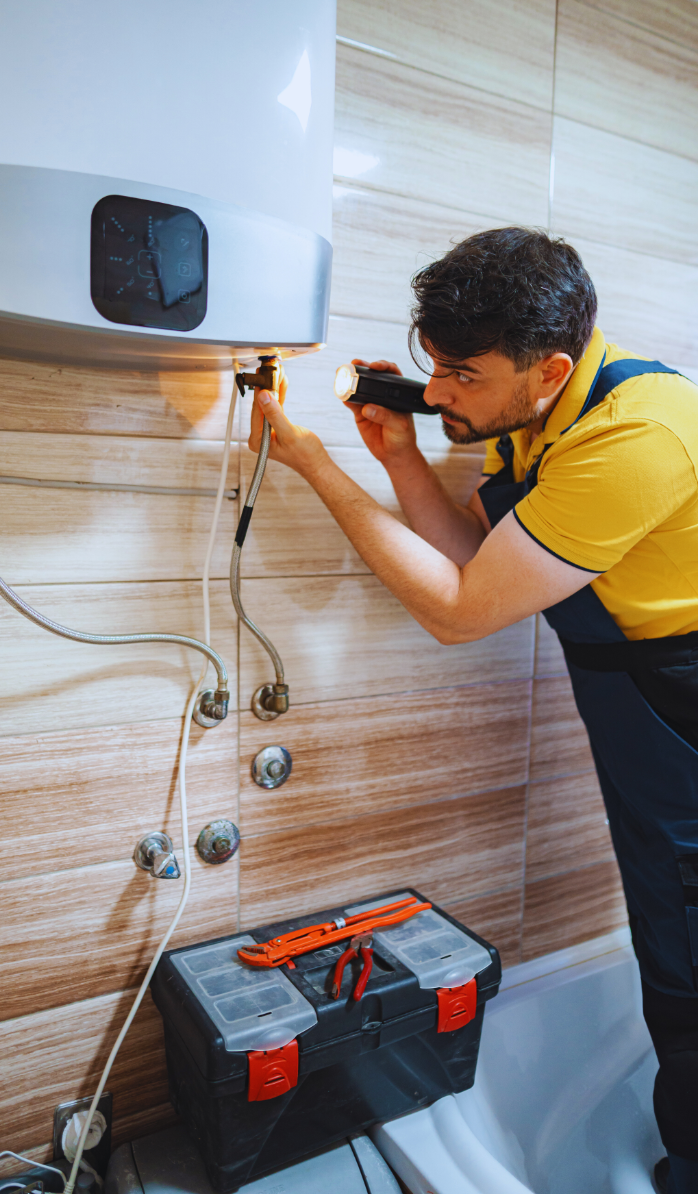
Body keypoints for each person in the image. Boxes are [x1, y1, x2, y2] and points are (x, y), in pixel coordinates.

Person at [248, 228, 698, 1194]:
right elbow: (476, 567)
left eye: (461, 374)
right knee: (671, 944)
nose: (441, 391)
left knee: (692, 975)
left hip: (682, 721)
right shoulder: (545, 418)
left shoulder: (636, 436)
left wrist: (317, 466)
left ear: (550, 369)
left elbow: (458, 613)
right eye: (432, 365)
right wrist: (401, 456)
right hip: (647, 724)